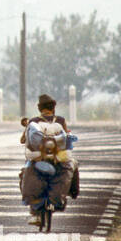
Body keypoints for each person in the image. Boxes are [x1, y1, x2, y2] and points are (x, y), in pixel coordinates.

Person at [18, 94, 75, 224]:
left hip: (39, 158)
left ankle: (34, 210)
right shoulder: (61, 120)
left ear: (39, 108)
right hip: (57, 158)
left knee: (26, 173)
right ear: (53, 107)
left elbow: (22, 140)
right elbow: (68, 137)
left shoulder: (33, 121)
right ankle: (61, 198)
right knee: (68, 168)